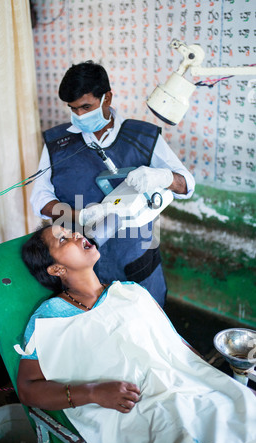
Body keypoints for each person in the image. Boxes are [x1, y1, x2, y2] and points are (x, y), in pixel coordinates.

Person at [16, 224, 256, 443]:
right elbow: (27, 389)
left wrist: (216, 381)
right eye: (63, 239)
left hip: (183, 386)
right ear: (56, 269)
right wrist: (92, 392)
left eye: (72, 231)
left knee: (242, 413)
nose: (78, 236)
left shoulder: (132, 292)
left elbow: (175, 344)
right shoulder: (49, 319)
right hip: (129, 409)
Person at [30, 61, 195, 308]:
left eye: (87, 107)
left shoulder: (143, 137)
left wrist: (164, 178)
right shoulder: (58, 143)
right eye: (73, 109)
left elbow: (187, 186)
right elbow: (40, 201)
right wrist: (81, 215)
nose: (80, 116)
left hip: (137, 262)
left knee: (148, 327)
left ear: (107, 98)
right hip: (86, 273)